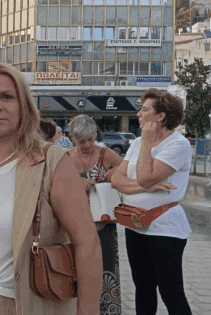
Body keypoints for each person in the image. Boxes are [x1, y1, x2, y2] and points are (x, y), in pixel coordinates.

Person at [0, 63, 102, 315]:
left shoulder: (51, 161)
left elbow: (87, 243)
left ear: (24, 105)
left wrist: (88, 311)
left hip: (31, 305)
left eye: (7, 96)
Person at [111, 89, 193, 315]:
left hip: (164, 228)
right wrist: (145, 186)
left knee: (171, 293)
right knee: (143, 289)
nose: (138, 114)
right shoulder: (137, 142)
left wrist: (147, 144)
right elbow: (117, 180)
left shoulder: (178, 145)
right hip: (135, 223)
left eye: (145, 109)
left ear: (161, 116)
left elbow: (145, 176)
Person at [68, 114, 124, 315]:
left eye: (91, 139)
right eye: (81, 141)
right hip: (76, 222)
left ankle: (107, 309)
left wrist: (114, 172)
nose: (87, 144)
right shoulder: (67, 157)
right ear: (73, 138)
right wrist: (79, 185)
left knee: (106, 267)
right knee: (77, 268)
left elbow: (126, 169)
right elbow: (58, 188)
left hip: (103, 222)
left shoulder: (105, 154)